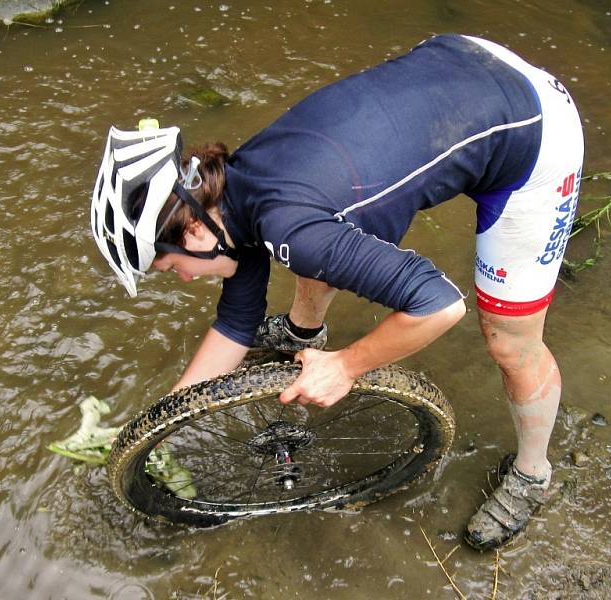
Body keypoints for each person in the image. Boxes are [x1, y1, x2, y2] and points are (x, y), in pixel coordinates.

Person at [90, 34, 583, 550]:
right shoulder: (234, 192)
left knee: (510, 341)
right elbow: (234, 325)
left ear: (193, 231)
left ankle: (532, 474)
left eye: (171, 267)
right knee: (315, 242)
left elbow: (440, 306)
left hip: (535, 135)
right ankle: (303, 330)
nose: (183, 278)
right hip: (462, 65)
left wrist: (346, 365)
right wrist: (162, 424)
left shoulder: (289, 227)